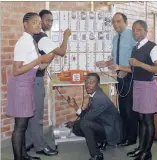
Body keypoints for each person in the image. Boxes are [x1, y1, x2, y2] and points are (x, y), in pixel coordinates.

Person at [108, 20, 157, 160]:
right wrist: (119, 67)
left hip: (148, 86)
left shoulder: (152, 47)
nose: (135, 32)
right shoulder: (135, 48)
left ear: (145, 31)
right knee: (140, 119)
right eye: (133, 30)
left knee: (148, 120)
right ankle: (141, 148)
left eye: (138, 30)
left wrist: (139, 63)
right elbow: (133, 68)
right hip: (137, 85)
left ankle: (147, 153)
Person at [6, 12, 55, 160]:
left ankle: (24, 155)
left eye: (40, 23)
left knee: (24, 125)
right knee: (20, 127)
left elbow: (37, 67)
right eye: (35, 22)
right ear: (25, 24)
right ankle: (18, 158)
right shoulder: (23, 42)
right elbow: (17, 70)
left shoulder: (31, 41)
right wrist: (39, 59)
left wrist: (48, 58)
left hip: (28, 85)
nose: (38, 25)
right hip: (21, 86)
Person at [25, 9, 71, 156]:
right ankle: (39, 146)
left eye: (51, 21)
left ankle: (28, 142)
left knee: (30, 113)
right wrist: (66, 37)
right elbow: (62, 52)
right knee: (37, 115)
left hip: (30, 78)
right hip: (36, 79)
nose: (48, 23)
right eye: (45, 20)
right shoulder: (42, 37)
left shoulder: (33, 37)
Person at [96, 12, 138, 147]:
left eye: (118, 21)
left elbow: (138, 57)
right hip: (119, 77)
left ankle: (131, 138)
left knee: (129, 109)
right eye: (113, 22)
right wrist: (105, 63)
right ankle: (124, 136)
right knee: (122, 108)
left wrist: (125, 69)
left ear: (125, 22)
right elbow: (115, 58)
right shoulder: (115, 38)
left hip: (130, 76)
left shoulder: (132, 35)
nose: (115, 24)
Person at [67, 73, 123, 160]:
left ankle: (97, 155)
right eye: (86, 82)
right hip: (103, 123)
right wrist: (75, 106)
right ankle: (102, 140)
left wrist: (74, 122)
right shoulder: (95, 94)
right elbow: (88, 115)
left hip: (111, 130)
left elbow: (86, 118)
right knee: (77, 127)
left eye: (91, 82)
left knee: (83, 124)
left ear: (98, 84)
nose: (88, 85)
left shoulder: (99, 98)